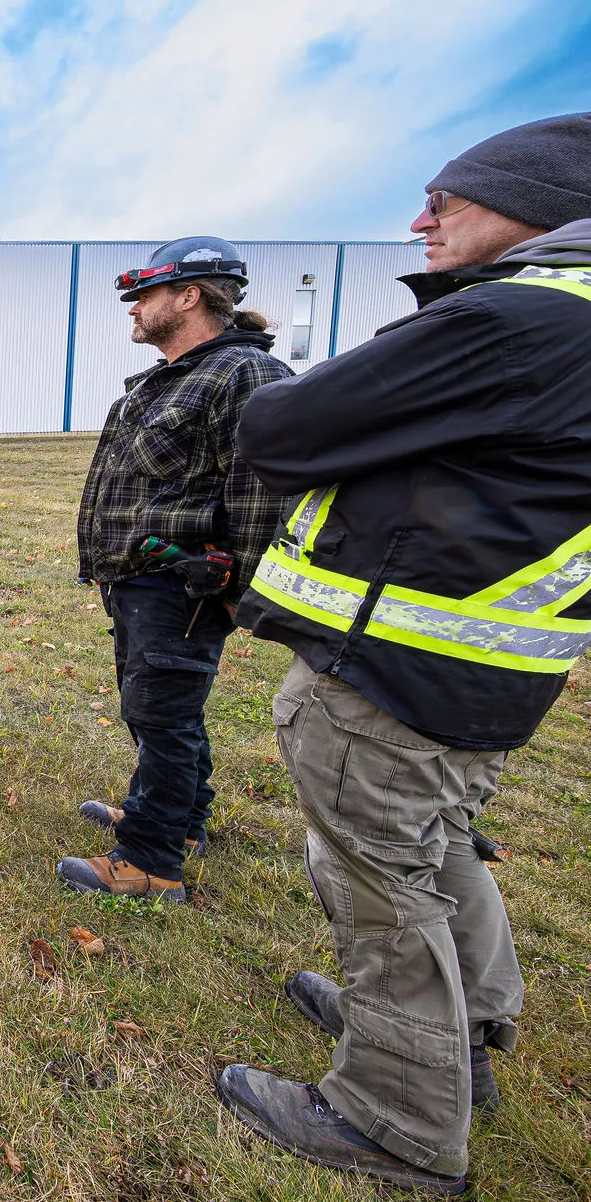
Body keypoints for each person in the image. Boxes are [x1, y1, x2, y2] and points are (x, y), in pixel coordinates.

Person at [213, 114, 591, 1195]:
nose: (420, 221)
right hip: (494, 667)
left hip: (394, 669)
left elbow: (281, 428)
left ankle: (393, 1116)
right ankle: (463, 1034)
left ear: (539, 210)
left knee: (375, 879)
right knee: (437, 851)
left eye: (447, 201)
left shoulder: (513, 320)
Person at [59, 237, 290, 903]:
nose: (133, 307)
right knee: (158, 712)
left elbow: (261, 492)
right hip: (139, 580)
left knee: (163, 718)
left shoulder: (242, 374)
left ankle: (151, 861)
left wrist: (235, 588)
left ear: (190, 296)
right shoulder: (172, 377)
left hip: (185, 584)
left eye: (145, 294)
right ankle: (181, 822)